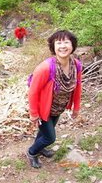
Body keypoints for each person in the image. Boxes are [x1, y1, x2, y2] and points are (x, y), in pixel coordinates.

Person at [26, 30, 82, 168]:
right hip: (43, 109)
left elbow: (78, 86)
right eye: (59, 43)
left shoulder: (76, 65)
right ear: (53, 46)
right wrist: (33, 113)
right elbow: (33, 92)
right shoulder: (45, 68)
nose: (63, 46)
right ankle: (32, 152)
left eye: (66, 42)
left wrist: (76, 108)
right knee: (50, 137)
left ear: (72, 45)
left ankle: (40, 148)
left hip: (58, 108)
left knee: (44, 132)